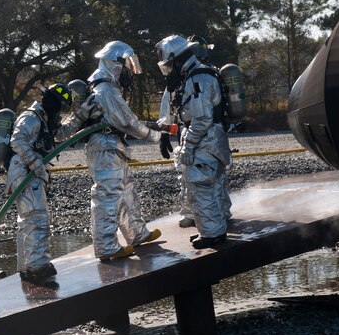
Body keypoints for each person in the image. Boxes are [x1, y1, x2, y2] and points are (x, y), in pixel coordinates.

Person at [57, 40, 162, 261]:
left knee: (125, 191)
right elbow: (129, 123)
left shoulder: (105, 87)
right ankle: (106, 246)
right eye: (127, 66)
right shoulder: (106, 90)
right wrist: (156, 137)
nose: (130, 72)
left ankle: (137, 234)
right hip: (105, 147)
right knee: (108, 196)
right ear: (116, 64)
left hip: (112, 146)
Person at [155, 34, 232, 248]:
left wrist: (188, 146)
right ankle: (213, 229)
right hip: (211, 140)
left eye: (169, 64)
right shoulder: (199, 74)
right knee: (212, 186)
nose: (169, 69)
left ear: (178, 59)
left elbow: (202, 118)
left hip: (204, 142)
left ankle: (212, 234)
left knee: (200, 187)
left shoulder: (196, 78)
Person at [7, 83, 73, 284]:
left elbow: (61, 134)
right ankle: (38, 267)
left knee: (27, 221)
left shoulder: (43, 119)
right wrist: (37, 165)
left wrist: (81, 121)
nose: (60, 114)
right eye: (61, 108)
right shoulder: (31, 116)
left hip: (24, 172)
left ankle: (26, 267)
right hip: (24, 171)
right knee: (38, 218)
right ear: (54, 104)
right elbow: (17, 140)